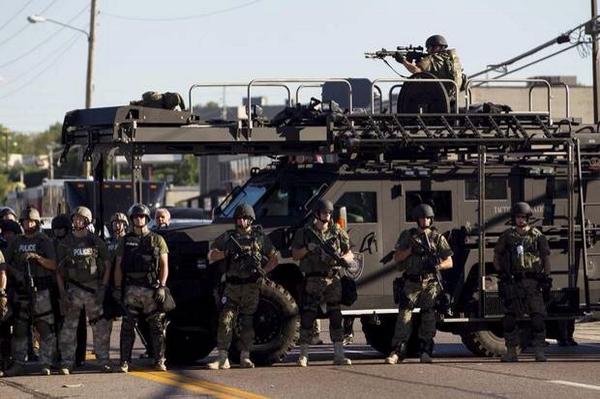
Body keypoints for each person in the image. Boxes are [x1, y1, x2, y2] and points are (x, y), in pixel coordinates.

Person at [207, 204, 278, 369]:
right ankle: (222, 357)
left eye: (245, 218)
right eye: (239, 218)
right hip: (232, 286)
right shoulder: (228, 237)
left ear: (251, 219)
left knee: (247, 322)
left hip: (251, 286)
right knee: (225, 320)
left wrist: (263, 272)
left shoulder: (260, 238)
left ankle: (245, 356)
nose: (241, 221)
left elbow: (274, 258)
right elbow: (211, 254)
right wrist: (225, 254)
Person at [385, 204, 453, 364]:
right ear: (417, 219)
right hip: (411, 282)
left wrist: (437, 266)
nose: (425, 220)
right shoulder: (408, 236)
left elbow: (449, 261)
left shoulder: (437, 238)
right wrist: (410, 250)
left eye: (428, 218)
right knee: (404, 316)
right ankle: (397, 351)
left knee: (428, 317)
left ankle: (425, 350)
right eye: (423, 218)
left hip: (430, 282)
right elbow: (397, 257)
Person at [292, 199, 355, 367]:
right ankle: (303, 355)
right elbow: (295, 254)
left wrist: (343, 259)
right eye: (324, 213)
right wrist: (308, 249)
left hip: (332, 278)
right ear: (317, 214)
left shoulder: (337, 232)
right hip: (313, 278)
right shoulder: (305, 233)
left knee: (335, 316)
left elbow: (350, 253)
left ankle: (339, 354)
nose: (327, 216)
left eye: (329, 213)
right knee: (308, 317)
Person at [55, 206, 113, 374]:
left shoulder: (96, 241)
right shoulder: (65, 243)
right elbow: (58, 271)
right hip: (73, 289)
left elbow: (108, 266)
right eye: (75, 218)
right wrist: (62, 293)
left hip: (93, 289)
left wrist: (103, 287)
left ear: (87, 221)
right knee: (69, 328)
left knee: (100, 327)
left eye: (80, 218)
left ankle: (103, 361)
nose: (77, 221)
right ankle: (67, 362)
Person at [113, 203, 169, 373]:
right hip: (131, 289)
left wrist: (162, 286)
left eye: (142, 216)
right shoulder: (125, 240)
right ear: (131, 219)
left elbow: (164, 265)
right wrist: (117, 288)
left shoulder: (157, 239)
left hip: (151, 288)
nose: (139, 219)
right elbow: (118, 266)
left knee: (157, 326)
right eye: (136, 216)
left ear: (147, 218)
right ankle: (124, 361)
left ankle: (159, 360)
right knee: (128, 326)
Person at [2, 206, 57, 376]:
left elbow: (54, 265)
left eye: (32, 221)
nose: (29, 224)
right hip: (22, 290)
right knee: (20, 328)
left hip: (41, 289)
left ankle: (46, 362)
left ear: (37, 222)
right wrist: (16, 274)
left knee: (44, 326)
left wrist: (38, 258)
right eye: (26, 221)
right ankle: (18, 363)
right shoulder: (16, 242)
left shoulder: (44, 241)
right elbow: (6, 263)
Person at [494, 201, 551, 362]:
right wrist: (502, 273)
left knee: (537, 318)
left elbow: (546, 257)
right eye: (518, 217)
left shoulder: (537, 236)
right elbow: (497, 255)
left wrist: (546, 276)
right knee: (510, 319)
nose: (520, 220)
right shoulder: (507, 236)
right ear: (514, 218)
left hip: (533, 282)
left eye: (523, 217)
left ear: (528, 218)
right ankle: (512, 351)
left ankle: (539, 350)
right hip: (514, 282)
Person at [395, 34, 463, 99]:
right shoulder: (451, 59)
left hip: (436, 96)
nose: (427, 50)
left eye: (429, 47)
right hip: (452, 95)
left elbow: (416, 71)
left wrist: (403, 61)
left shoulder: (432, 59)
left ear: (436, 47)